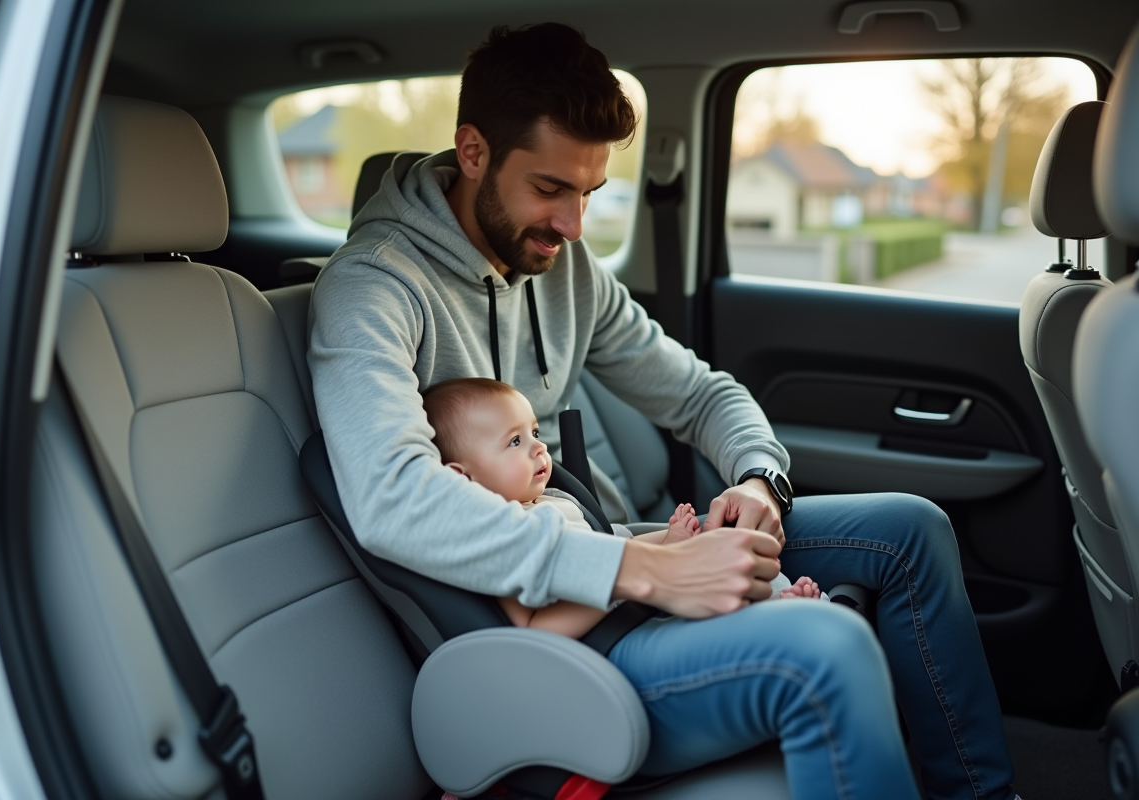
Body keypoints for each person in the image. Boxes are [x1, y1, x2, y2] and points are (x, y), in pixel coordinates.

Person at [308, 22, 1021, 800]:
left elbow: (697, 391)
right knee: (828, 644)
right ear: (472, 152)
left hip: (607, 554)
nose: (574, 227)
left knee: (910, 530)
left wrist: (759, 483)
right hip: (542, 646)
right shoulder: (372, 290)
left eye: (588, 194)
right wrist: (643, 569)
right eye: (550, 189)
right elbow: (390, 496)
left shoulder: (564, 267)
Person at [421, 376, 822, 638]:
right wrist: (616, 587)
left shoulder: (553, 501)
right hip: (609, 639)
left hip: (635, 605)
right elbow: (537, 628)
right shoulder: (501, 538)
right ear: (464, 477)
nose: (540, 447)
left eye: (535, 432)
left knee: (734, 560)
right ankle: (781, 624)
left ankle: (782, 611)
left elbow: (620, 543)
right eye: (515, 441)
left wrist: (672, 539)